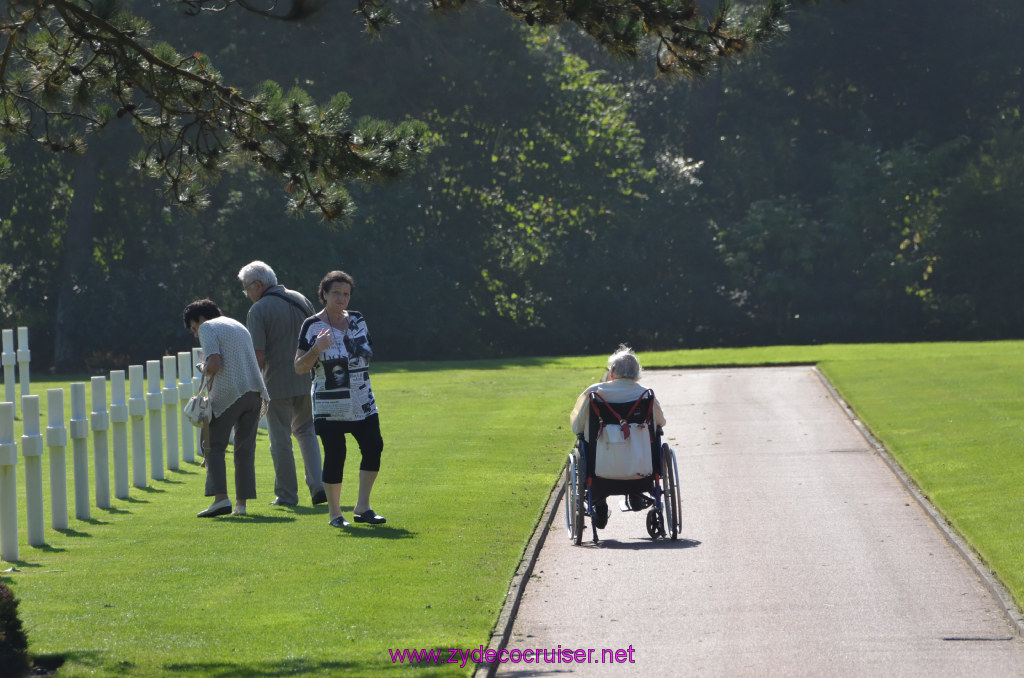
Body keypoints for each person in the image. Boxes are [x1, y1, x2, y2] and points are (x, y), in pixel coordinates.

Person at [294, 270, 386, 528]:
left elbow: (367, 352)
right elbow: (299, 367)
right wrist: (316, 349)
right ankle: (335, 514)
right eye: (336, 293)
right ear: (324, 294)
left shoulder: (357, 319)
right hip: (330, 403)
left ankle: (363, 507)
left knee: (374, 446)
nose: (341, 299)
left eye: (346, 294)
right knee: (336, 454)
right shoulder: (312, 325)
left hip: (362, 399)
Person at [238, 260, 327, 507]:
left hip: (276, 383)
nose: (246, 294)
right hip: (308, 379)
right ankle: (319, 486)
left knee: (280, 440)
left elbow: (258, 355)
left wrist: (250, 386)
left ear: (258, 285)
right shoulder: (300, 299)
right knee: (307, 432)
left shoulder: (258, 310)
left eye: (246, 288)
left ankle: (287, 495)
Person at [183, 299, 269, 518]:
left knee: (212, 444)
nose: (196, 333)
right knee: (245, 449)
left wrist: (202, 367)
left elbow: (214, 364)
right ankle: (241, 505)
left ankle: (220, 499)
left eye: (194, 327)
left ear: (201, 319)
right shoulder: (237, 325)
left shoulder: (208, 327)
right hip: (255, 391)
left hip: (230, 392)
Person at [569, 344, 666, 529]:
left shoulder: (594, 392)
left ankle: (599, 503)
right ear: (637, 372)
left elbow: (577, 426)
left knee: (585, 441)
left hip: (601, 469)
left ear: (612, 372)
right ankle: (636, 494)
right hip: (641, 469)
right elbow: (660, 423)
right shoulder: (646, 394)